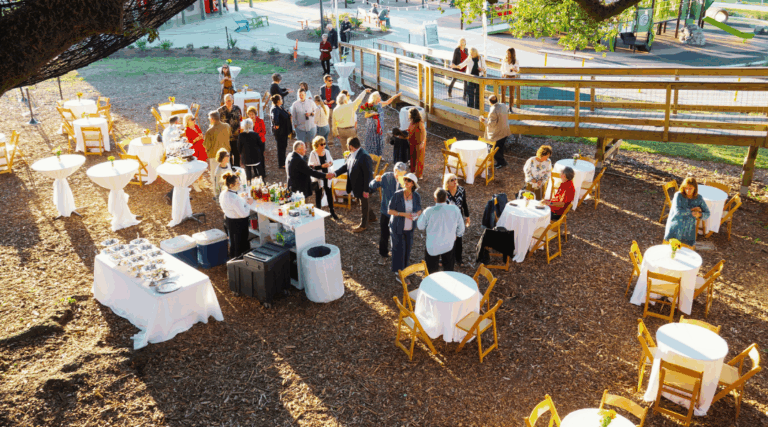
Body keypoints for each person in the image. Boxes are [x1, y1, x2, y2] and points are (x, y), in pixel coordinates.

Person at [417, 189, 465, 273]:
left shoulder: (428, 211)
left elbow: (420, 226)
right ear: (446, 197)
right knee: (449, 270)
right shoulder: (454, 209)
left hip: (433, 246)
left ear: (435, 199)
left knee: (432, 271)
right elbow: (461, 228)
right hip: (448, 245)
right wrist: (457, 235)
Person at [333, 137, 375, 232]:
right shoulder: (351, 154)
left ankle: (363, 225)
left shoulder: (364, 156)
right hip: (356, 185)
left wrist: (366, 190)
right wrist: (335, 173)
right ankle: (372, 217)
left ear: (351, 146)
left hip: (363, 186)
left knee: (363, 204)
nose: (347, 147)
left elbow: (368, 175)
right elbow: (346, 166)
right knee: (363, 202)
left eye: (347, 145)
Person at [370, 162, 407, 265]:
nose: (397, 173)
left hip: (398, 214)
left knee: (399, 235)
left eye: (400, 172)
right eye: (396, 171)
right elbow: (372, 186)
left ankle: (398, 256)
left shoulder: (406, 181)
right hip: (386, 213)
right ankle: (383, 255)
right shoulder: (386, 177)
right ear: (394, 170)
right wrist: (375, 180)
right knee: (384, 235)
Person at [388, 173, 422, 278]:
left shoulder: (416, 196)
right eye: (405, 180)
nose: (406, 182)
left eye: (409, 181)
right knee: (398, 249)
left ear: (413, 184)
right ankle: (399, 273)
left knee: (407, 249)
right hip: (397, 227)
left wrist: (416, 214)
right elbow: (389, 211)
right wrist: (404, 214)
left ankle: (404, 269)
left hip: (410, 228)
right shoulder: (397, 194)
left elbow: (420, 210)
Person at [664, 177, 710, 247]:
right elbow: (678, 212)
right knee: (669, 249)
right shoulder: (678, 196)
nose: (688, 190)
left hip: (689, 230)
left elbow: (707, 213)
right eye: (686, 188)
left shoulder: (699, 198)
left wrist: (699, 214)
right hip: (675, 227)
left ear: (695, 188)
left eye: (690, 188)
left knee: (686, 251)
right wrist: (691, 211)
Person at [219, 172, 254, 259]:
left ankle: (233, 259)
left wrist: (240, 197)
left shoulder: (223, 193)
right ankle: (240, 260)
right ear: (231, 185)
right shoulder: (235, 199)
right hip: (239, 223)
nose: (240, 184)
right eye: (238, 183)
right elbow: (244, 214)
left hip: (228, 220)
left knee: (233, 243)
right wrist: (248, 204)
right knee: (241, 244)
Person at [307, 136, 339, 220]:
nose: (324, 146)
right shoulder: (313, 154)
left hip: (327, 176)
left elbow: (331, 162)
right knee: (318, 195)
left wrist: (330, 164)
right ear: (317, 145)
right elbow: (311, 168)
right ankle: (318, 213)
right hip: (318, 178)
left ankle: (332, 212)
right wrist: (321, 166)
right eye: (322, 144)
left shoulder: (327, 152)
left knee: (329, 194)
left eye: (325, 143)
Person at [444, 173, 470, 266]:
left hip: (458, 218)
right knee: (447, 239)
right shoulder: (444, 193)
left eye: (455, 179)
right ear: (447, 183)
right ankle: (445, 258)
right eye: (452, 180)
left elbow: (464, 204)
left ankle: (459, 259)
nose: (455, 181)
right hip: (447, 219)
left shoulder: (461, 190)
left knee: (459, 239)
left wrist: (467, 217)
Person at [364, 91, 401, 157]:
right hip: (372, 125)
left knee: (379, 140)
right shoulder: (370, 105)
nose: (380, 97)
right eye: (379, 96)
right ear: (376, 98)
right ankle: (371, 156)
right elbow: (366, 115)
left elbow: (387, 102)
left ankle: (379, 155)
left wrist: (395, 96)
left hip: (380, 125)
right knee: (372, 140)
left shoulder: (379, 104)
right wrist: (373, 113)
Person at [479, 95, 511, 169]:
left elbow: (491, 124)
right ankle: (501, 162)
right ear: (497, 100)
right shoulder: (503, 105)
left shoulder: (493, 110)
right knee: (500, 147)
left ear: (489, 102)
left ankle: (502, 163)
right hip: (505, 130)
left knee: (494, 149)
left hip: (498, 133)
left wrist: (483, 121)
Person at [203, 111, 232, 188]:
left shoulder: (209, 131)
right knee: (227, 173)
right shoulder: (227, 126)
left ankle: (217, 194)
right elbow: (229, 135)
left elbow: (206, 145)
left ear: (212, 119)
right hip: (226, 153)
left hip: (214, 155)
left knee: (215, 175)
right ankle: (228, 188)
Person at [184, 113, 208, 192]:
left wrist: (201, 136)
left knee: (202, 166)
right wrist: (196, 139)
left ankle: (201, 181)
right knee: (195, 167)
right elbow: (189, 142)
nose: (194, 120)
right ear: (187, 121)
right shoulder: (187, 130)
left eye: (194, 119)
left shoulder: (196, 127)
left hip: (201, 148)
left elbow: (201, 134)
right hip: (194, 150)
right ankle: (195, 183)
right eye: (192, 119)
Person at [218, 94, 242, 168]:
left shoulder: (237, 109)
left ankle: (237, 169)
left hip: (236, 136)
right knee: (228, 155)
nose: (228, 102)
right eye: (226, 101)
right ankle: (230, 169)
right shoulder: (220, 111)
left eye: (229, 100)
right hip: (226, 138)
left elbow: (240, 120)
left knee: (237, 154)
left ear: (233, 100)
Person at [270, 94, 292, 169]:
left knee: (284, 146)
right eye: (281, 99)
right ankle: (281, 163)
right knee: (281, 147)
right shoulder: (275, 109)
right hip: (280, 132)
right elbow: (274, 118)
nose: (282, 100)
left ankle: (283, 161)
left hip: (284, 131)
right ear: (278, 101)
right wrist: (276, 124)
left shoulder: (280, 107)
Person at [406, 108, 426, 179]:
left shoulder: (420, 123)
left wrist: (422, 142)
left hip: (419, 143)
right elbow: (409, 129)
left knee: (419, 159)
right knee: (412, 157)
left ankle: (419, 175)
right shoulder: (412, 121)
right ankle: (413, 172)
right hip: (412, 142)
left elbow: (424, 133)